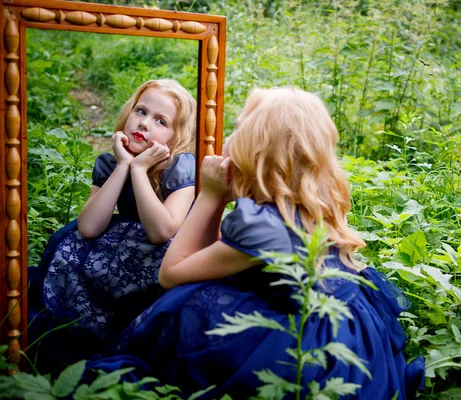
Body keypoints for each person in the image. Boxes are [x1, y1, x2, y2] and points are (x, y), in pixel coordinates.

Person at [88, 87, 424, 399]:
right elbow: (211, 259)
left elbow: (172, 274)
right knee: (205, 289)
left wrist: (212, 196)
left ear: (259, 149)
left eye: (237, 130)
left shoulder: (263, 224)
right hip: (352, 331)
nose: (228, 138)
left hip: (316, 350)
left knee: (187, 303)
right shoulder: (299, 206)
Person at [28, 79, 197, 374]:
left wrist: (141, 169)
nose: (144, 124)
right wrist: (123, 166)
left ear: (176, 136)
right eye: (141, 111)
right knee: (72, 245)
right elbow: (90, 227)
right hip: (126, 250)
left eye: (160, 121)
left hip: (164, 255)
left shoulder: (180, 166)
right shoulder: (111, 163)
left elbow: (162, 232)